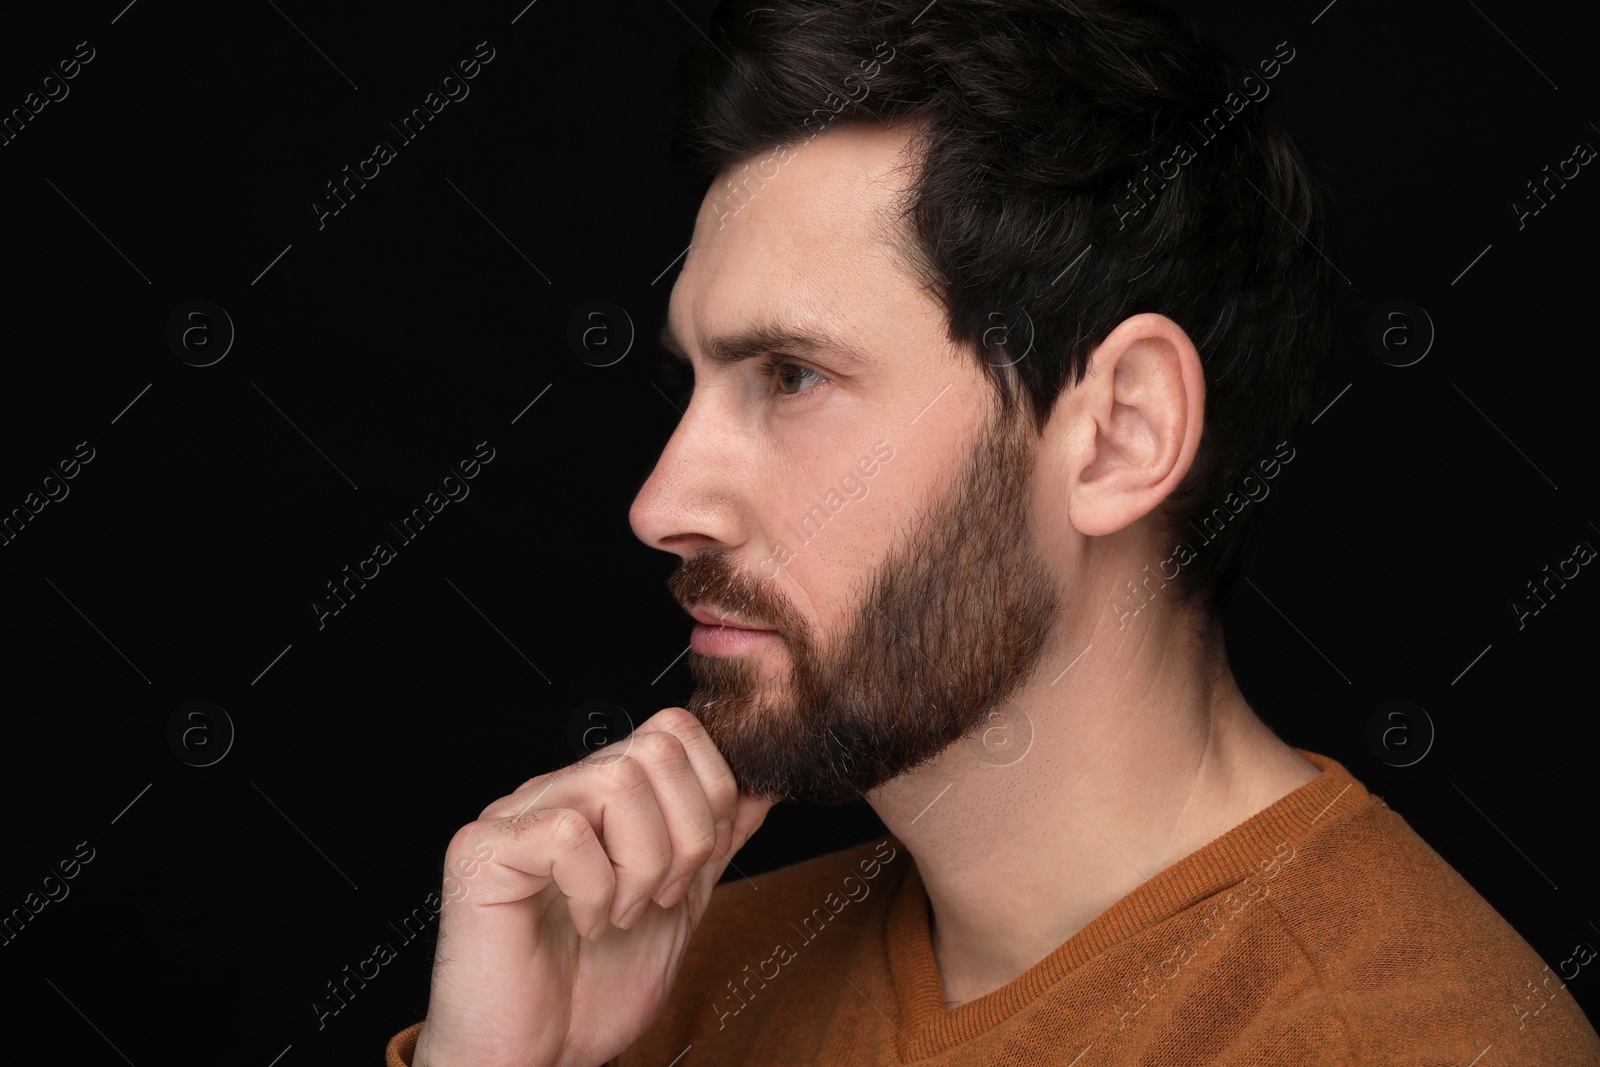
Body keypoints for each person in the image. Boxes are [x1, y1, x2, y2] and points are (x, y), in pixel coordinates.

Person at [386, 0, 1600, 1063]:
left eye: (791, 375)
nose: (660, 506)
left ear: (1121, 432)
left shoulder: (1402, 1041)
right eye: (691, 384)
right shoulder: (647, 988)